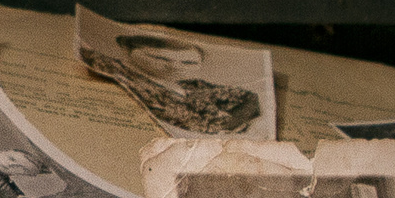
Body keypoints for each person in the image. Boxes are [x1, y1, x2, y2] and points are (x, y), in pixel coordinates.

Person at [85, 31, 262, 135]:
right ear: (126, 50)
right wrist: (230, 124)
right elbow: (188, 121)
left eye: (189, 63)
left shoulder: (193, 85)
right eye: (160, 58)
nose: (175, 67)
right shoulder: (118, 72)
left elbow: (249, 97)